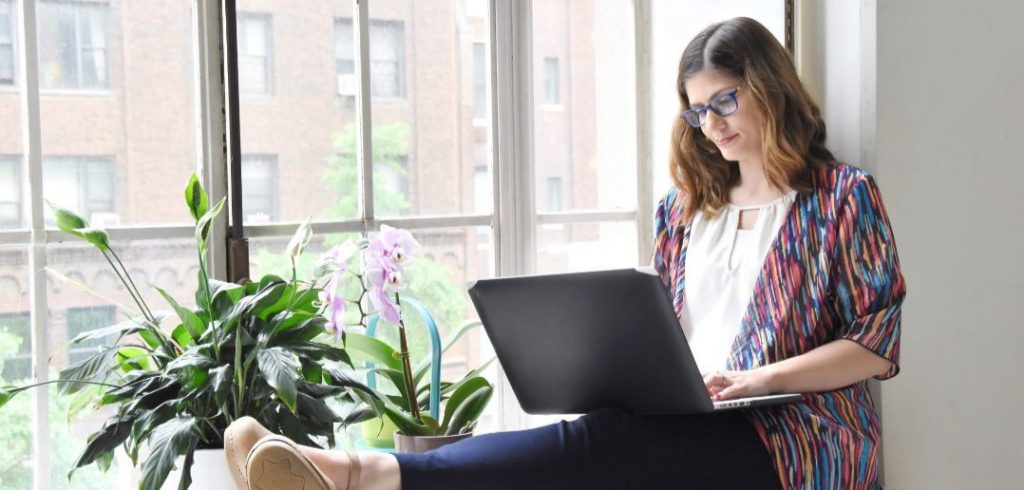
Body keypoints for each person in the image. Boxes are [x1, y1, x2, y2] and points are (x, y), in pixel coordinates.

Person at [225, 16, 905, 490]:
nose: (712, 124)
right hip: (690, 415)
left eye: (724, 100)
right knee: (599, 436)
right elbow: (663, 332)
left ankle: (357, 473)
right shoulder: (686, 209)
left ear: (768, 88)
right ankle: (344, 472)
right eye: (697, 112)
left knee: (598, 449)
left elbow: (875, 344)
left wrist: (760, 379)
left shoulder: (841, 198)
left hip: (800, 439)